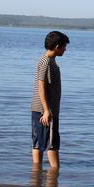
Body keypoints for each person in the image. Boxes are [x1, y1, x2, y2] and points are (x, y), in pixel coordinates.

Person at [31, 31, 69, 170]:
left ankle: (36, 173)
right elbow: (41, 85)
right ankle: (55, 173)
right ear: (57, 46)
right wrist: (47, 110)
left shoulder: (47, 60)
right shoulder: (47, 61)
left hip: (39, 107)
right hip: (46, 109)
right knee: (52, 143)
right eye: (64, 47)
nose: (65, 49)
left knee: (38, 142)